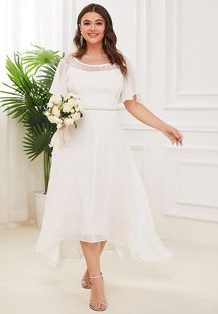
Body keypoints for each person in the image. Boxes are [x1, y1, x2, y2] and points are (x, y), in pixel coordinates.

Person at [36, 3, 183, 312]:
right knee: (84, 205)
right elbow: (55, 102)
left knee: (106, 204)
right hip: (77, 141)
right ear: (79, 28)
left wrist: (163, 126)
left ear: (106, 27)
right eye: (86, 22)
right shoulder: (69, 63)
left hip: (111, 140)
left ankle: (91, 266)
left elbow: (132, 104)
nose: (92, 27)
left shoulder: (121, 63)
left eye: (98, 22)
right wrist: (63, 116)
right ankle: (97, 277)